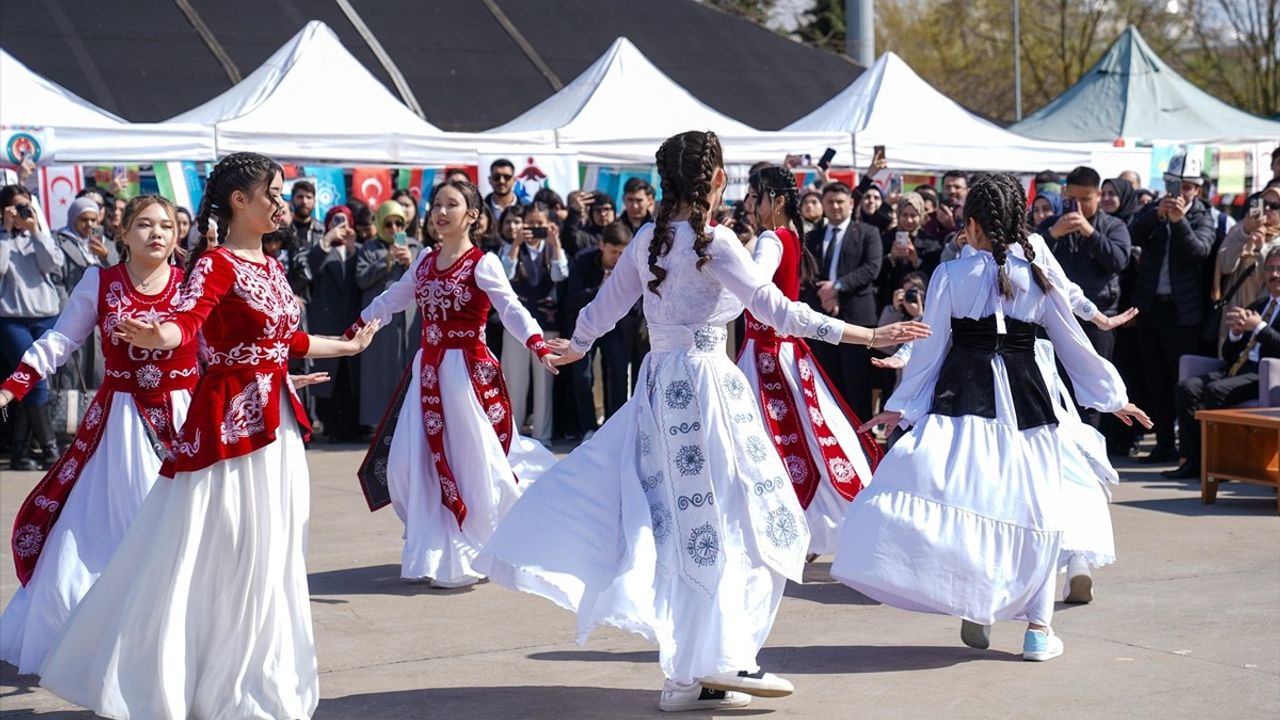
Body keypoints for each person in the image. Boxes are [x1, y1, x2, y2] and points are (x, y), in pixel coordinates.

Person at [475, 130, 928, 712]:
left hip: (662, 391)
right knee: (743, 518)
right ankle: (715, 661)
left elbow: (602, 311)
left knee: (680, 525)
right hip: (709, 393)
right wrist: (868, 333)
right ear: (716, 180)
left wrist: (574, 344)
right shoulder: (714, 242)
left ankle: (691, 673)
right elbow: (780, 311)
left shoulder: (646, 240)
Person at [38, 152, 379, 719]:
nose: (280, 201)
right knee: (221, 551)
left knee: (274, 554)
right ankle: (199, 683)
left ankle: (256, 681)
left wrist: (345, 347)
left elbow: (287, 340)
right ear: (240, 202)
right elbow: (187, 323)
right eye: (270, 192)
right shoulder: (215, 264)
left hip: (280, 427)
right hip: (227, 429)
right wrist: (159, 332)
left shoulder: (270, 266)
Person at [832, 172, 1149, 663]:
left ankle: (980, 606)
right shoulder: (1038, 272)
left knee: (974, 500)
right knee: (1036, 508)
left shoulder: (951, 275)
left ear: (973, 224)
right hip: (1029, 401)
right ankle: (1037, 629)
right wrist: (1112, 396)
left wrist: (900, 406)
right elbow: (1073, 343)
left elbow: (931, 347)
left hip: (966, 397)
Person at [0, 196, 198, 675]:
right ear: (124, 233)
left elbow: (218, 348)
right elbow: (60, 341)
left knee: (181, 534)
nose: (157, 233)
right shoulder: (101, 282)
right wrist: (11, 388)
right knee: (107, 530)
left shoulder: (193, 285)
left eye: (167, 226)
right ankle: (93, 643)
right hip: (120, 425)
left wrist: (272, 380)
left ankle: (172, 644)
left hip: (183, 419)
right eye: (145, 224)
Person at [345, 179, 559, 587]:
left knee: (474, 463)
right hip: (428, 373)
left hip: (468, 376)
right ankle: (433, 547)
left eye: (452, 205)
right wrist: (356, 329)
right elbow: (393, 298)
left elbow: (510, 309)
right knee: (414, 463)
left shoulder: (482, 262)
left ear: (473, 215)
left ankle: (471, 548)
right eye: (436, 204)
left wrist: (538, 344)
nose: (440, 212)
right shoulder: (424, 260)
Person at [738, 166, 881, 558]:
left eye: (757, 197)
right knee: (810, 439)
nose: (752, 205)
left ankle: (790, 527)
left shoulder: (770, 239)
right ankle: (814, 525)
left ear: (777, 201)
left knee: (772, 442)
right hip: (784, 350)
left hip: (766, 355)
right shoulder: (793, 236)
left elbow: (753, 288)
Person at [1129, 153, 1215, 464]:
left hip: (1184, 314)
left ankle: (1187, 451)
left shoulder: (1204, 216)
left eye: (1187, 187)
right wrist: (1156, 216)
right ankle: (1164, 443)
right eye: (1173, 184)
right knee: (1155, 380)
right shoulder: (1154, 209)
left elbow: (1199, 252)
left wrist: (1178, 223)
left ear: (1198, 190)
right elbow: (1132, 234)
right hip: (1152, 308)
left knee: (1181, 383)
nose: (1179, 193)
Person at [1168, 247, 1280, 479]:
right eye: (1270, 269)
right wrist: (1236, 334)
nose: (1274, 274)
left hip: (1265, 373)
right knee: (1186, 388)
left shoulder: (1261, 315)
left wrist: (1259, 328)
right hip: (1237, 367)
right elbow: (1228, 355)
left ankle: (1219, 461)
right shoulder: (1258, 305)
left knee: (1214, 391)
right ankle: (1193, 459)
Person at [1039, 166, 1132, 428]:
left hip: (1097, 321)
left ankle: (1091, 458)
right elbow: (1031, 260)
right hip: (1056, 319)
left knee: (1094, 396)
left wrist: (1090, 233)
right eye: (1073, 199)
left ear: (1098, 195)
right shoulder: (1050, 226)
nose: (1077, 206)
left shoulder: (1114, 225)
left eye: (1085, 199)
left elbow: (1118, 261)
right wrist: (1053, 235)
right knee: (1054, 390)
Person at [804, 181, 883, 419]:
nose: (835, 206)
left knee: (857, 386)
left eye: (840, 201)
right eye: (830, 202)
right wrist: (825, 295)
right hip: (821, 318)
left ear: (851, 203)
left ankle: (865, 447)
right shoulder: (813, 237)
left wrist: (837, 288)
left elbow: (872, 268)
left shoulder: (868, 233)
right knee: (828, 384)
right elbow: (808, 271)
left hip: (857, 319)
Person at [1, 184, 64, 471]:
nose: (22, 211)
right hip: (12, 318)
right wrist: (6, 229)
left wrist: (36, 229)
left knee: (33, 382)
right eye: (16, 205)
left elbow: (54, 264)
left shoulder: (38, 232)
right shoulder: (3, 236)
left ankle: (20, 451)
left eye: (26, 204)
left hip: (46, 315)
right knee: (33, 377)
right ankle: (50, 449)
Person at [500, 202, 569, 445]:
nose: (535, 229)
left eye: (541, 224)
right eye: (531, 224)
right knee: (514, 379)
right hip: (517, 324)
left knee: (544, 381)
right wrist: (516, 245)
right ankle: (513, 433)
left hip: (546, 322)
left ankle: (543, 433)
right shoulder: (510, 249)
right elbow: (504, 276)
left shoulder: (553, 249)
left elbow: (560, 275)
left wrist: (555, 243)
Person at [354, 201, 424, 430]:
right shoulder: (369, 248)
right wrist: (386, 262)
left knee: (408, 366)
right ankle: (380, 421)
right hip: (382, 320)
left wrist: (410, 263)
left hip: (410, 318)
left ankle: (410, 419)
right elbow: (361, 279)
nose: (394, 228)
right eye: (389, 223)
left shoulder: (416, 246)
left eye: (398, 223)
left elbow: (427, 278)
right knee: (381, 368)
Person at [564, 221, 634, 439]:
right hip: (584, 325)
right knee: (583, 377)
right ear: (602, 245)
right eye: (614, 252)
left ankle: (616, 429)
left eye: (623, 252)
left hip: (615, 327)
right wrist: (601, 291)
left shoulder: (629, 265)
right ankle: (588, 429)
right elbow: (571, 299)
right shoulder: (582, 260)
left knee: (619, 373)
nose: (619, 258)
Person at [308, 206, 363, 443]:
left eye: (345, 220)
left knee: (351, 378)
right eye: (335, 221)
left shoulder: (357, 251)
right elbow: (307, 271)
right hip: (327, 322)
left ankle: (354, 427)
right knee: (329, 377)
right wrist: (326, 241)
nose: (341, 226)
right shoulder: (320, 249)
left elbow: (363, 278)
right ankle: (331, 427)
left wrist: (353, 250)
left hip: (351, 320)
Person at [55, 197, 118, 395]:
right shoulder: (60, 241)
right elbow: (57, 280)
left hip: (103, 313)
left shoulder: (106, 242)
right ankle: (72, 415)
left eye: (93, 219)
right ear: (73, 218)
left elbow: (120, 272)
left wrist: (106, 255)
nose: (89, 224)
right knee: (74, 367)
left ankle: (100, 408)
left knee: (100, 366)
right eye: (84, 219)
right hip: (75, 312)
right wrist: (69, 312)